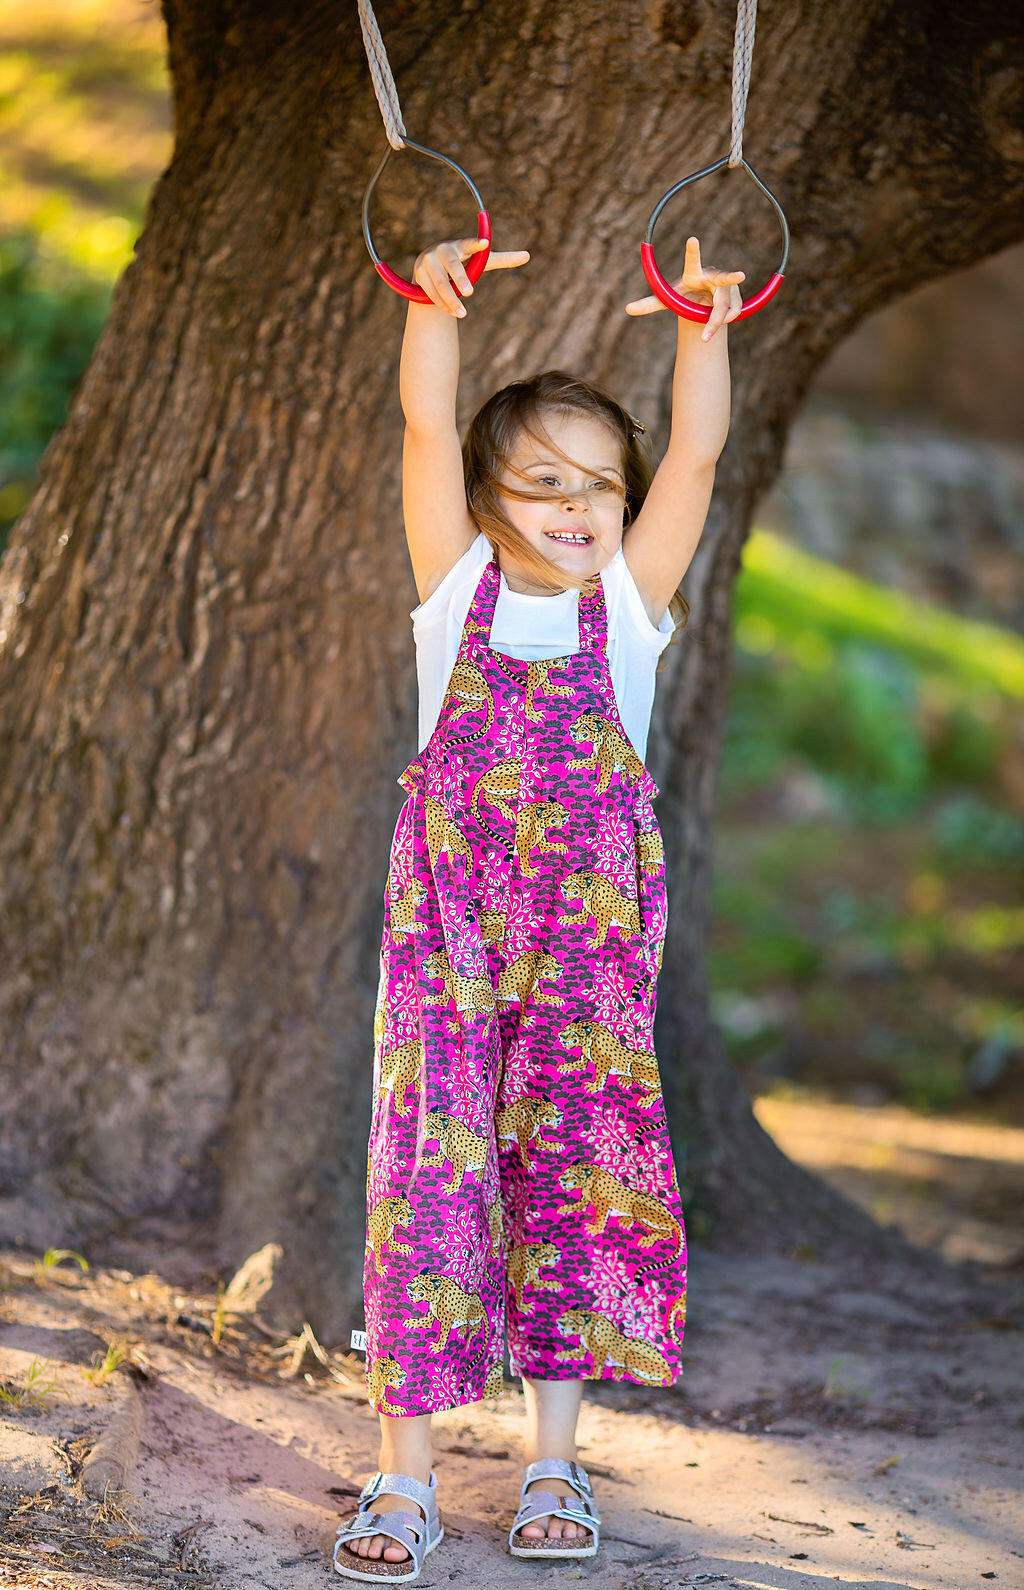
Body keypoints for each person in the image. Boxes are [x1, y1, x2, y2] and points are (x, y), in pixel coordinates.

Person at [334, 232, 744, 1583]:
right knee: (428, 1174)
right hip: (445, 951)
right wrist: (433, 308)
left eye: (597, 485)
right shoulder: (454, 594)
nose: (578, 504)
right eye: (544, 481)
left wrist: (704, 337)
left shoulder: (625, 613)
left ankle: (556, 1456)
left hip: (582, 967)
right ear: (487, 497)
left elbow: (694, 460)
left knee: (568, 1184)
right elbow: (422, 414)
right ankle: (400, 1473)